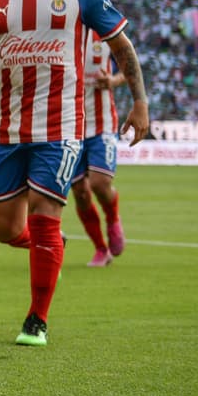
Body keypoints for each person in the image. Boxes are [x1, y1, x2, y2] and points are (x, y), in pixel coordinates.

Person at [0, 0, 149, 347]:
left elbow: (122, 46)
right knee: (5, 229)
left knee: (45, 214)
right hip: (6, 132)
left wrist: (139, 102)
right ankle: (52, 245)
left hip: (62, 127)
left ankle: (36, 320)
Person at [71, 31, 128, 267]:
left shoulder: (104, 33)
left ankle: (113, 218)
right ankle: (101, 249)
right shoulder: (57, 31)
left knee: (99, 183)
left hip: (102, 123)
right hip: (70, 125)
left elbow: (130, 67)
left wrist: (113, 81)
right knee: (80, 193)